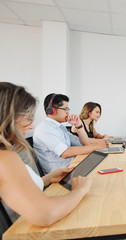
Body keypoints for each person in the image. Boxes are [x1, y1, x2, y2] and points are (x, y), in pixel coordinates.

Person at [0, 82, 91, 226]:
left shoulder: (5, 154)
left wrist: (47, 179)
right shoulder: (4, 158)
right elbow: (45, 214)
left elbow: (13, 190)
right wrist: (80, 190)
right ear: (7, 118)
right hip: (26, 230)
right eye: (28, 119)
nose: (31, 126)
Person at [33, 93, 108, 174]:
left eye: (68, 109)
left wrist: (78, 125)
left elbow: (85, 143)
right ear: (51, 110)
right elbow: (65, 153)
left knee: (105, 165)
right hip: (61, 174)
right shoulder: (45, 128)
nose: (68, 113)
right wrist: (96, 146)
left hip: (72, 166)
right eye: (65, 109)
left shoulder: (60, 128)